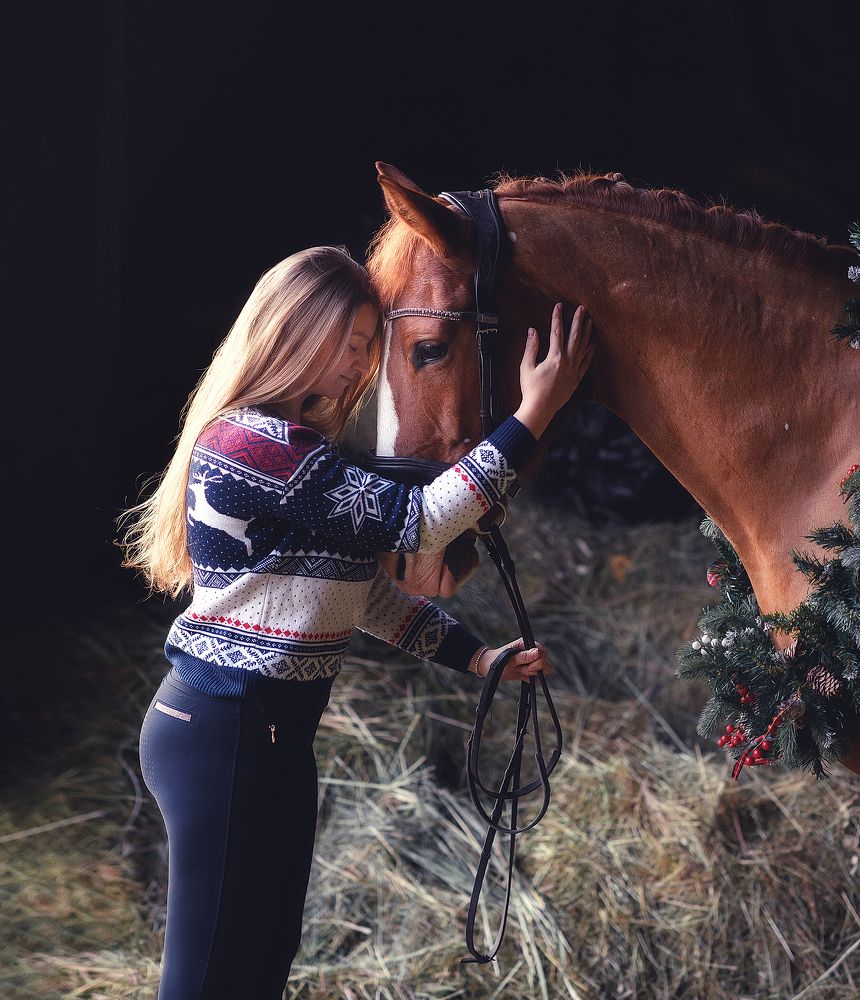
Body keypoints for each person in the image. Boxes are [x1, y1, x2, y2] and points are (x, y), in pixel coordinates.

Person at [120, 245, 593, 999]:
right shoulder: (253, 444)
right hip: (222, 733)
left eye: (369, 347)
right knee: (206, 981)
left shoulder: (305, 455)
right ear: (292, 334)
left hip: (272, 739)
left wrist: (475, 659)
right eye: (349, 345)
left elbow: (363, 595)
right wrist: (533, 412)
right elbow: (418, 523)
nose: (360, 365)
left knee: (261, 966)